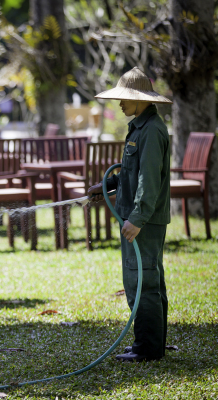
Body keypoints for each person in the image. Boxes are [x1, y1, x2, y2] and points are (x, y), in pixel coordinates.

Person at [88, 67, 172, 362]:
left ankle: (147, 350)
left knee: (143, 281)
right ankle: (151, 343)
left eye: (125, 98)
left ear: (142, 100)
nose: (120, 103)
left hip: (144, 221)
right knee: (147, 279)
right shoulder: (139, 127)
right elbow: (131, 173)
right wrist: (105, 185)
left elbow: (149, 181)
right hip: (140, 217)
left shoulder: (151, 131)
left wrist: (136, 218)